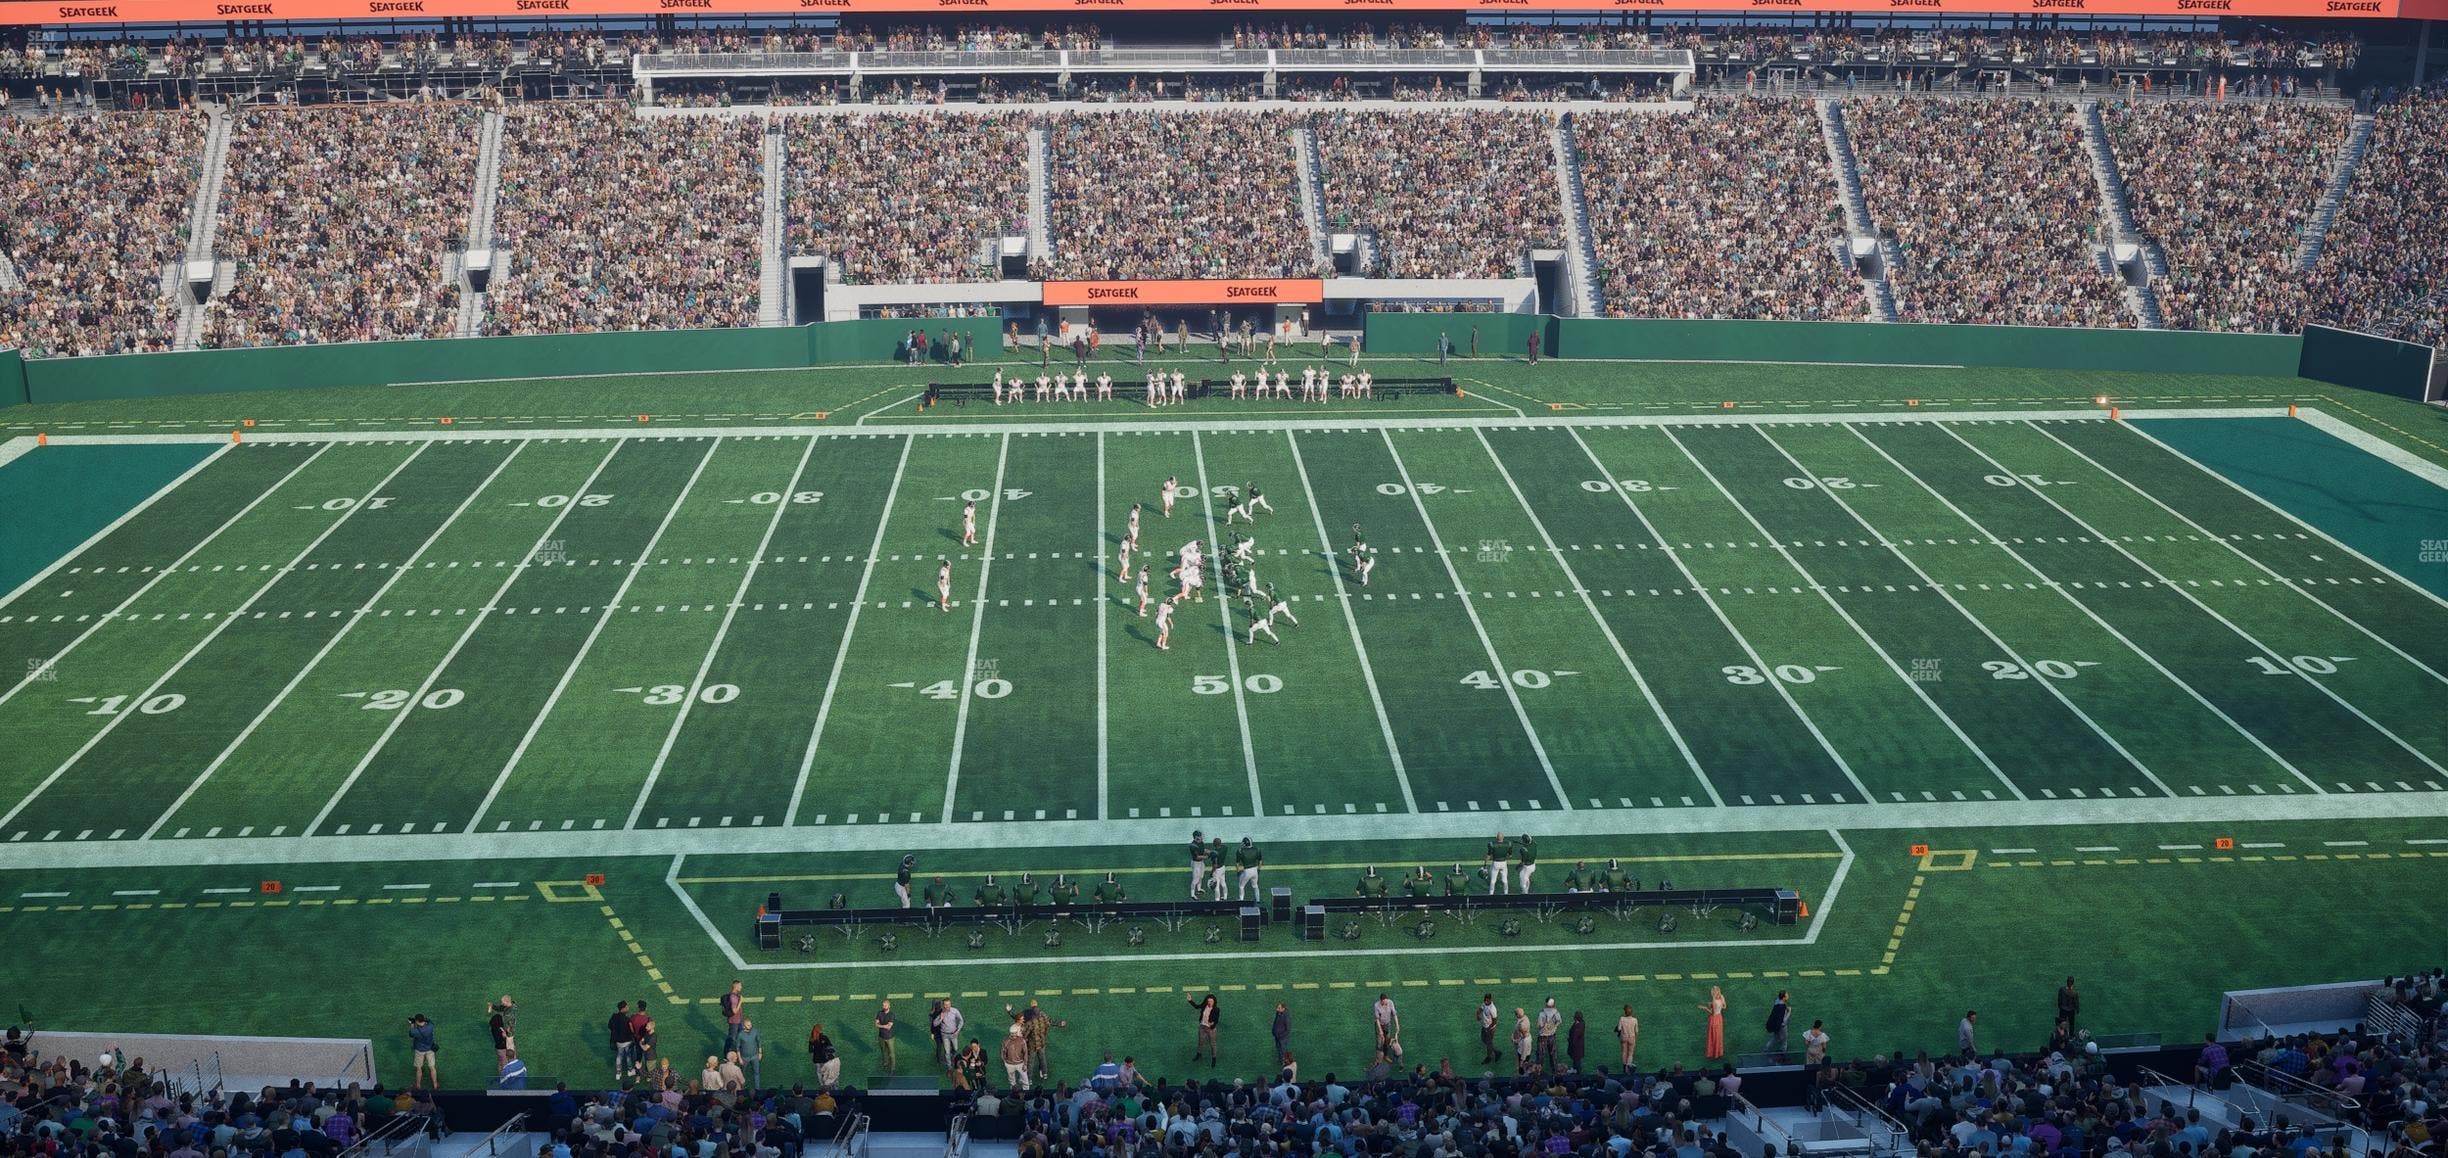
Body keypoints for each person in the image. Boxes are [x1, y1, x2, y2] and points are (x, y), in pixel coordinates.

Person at [1187, 994, 1220, 1065]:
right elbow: (1196, 1007)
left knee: (1213, 1044)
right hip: (1202, 1027)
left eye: (1211, 1001)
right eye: (1208, 1001)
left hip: (1211, 1029)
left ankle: (1214, 1058)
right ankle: (1199, 1054)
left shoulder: (1216, 1009)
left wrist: (1213, 1024)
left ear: (1214, 1002)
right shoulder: (1204, 1006)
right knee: (1200, 1042)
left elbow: (1216, 1020)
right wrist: (1190, 1000)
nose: (1209, 1003)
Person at [408, 1015, 439, 1089]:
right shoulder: (430, 1027)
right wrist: (425, 1019)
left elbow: (410, 1034)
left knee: (419, 1068)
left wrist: (412, 1024)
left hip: (419, 1051)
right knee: (432, 1067)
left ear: (417, 1021)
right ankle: (435, 1084)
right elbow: (430, 1020)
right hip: (430, 1049)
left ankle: (418, 1085)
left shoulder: (415, 1031)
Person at [999, 1024, 1030, 1091]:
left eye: (1015, 1033)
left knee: (1025, 1080)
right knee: (1012, 1081)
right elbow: (1002, 1052)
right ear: (1010, 1033)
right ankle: (1013, 1092)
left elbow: (1025, 1053)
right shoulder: (1006, 1041)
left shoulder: (1022, 1041)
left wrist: (1025, 1064)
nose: (1014, 1035)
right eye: (1012, 1034)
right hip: (1009, 1064)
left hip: (1020, 1064)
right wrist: (1005, 1062)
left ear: (1017, 1033)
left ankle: (1026, 1092)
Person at [608, 1001, 634, 1080]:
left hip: (618, 1042)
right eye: (627, 1006)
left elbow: (609, 1026)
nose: (628, 1008)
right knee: (628, 1056)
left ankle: (618, 1073)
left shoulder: (614, 1016)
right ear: (623, 1008)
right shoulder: (627, 1019)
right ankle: (630, 1071)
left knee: (619, 1056)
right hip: (627, 1041)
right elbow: (631, 1031)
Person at [1535, 998, 1562, 1072]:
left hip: (1542, 1037)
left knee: (1540, 1054)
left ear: (1546, 1003)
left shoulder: (1542, 1013)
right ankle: (1555, 1070)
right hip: (1552, 1036)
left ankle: (1538, 1070)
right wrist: (1554, 1027)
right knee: (1553, 1053)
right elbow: (1559, 1022)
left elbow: (1540, 1025)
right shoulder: (1557, 1013)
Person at [1699, 986, 1725, 1061]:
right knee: (1718, 1036)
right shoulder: (1722, 996)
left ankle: (1712, 1053)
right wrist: (1716, 1006)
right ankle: (1718, 1052)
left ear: (1713, 992)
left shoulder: (1714, 1000)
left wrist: (1705, 1008)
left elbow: (1712, 1013)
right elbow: (1724, 1006)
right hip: (1719, 1018)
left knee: (1712, 1036)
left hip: (1713, 1019)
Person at [489, 996, 517, 1066]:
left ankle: (512, 1062)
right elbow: (500, 1008)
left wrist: (506, 1033)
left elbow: (511, 1024)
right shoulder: (508, 1005)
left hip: (509, 1033)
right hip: (506, 1028)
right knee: (508, 1045)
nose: (501, 1003)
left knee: (510, 1047)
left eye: (502, 1002)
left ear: (507, 1002)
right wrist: (493, 1006)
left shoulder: (511, 1013)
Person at [1764, 991, 1792, 1062]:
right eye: (1787, 995)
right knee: (1784, 1041)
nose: (1788, 996)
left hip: (1776, 1026)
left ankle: (1766, 1050)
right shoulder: (1782, 1007)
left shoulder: (1777, 1003)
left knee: (1774, 1038)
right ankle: (1783, 1056)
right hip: (1781, 1027)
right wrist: (1789, 1012)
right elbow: (1783, 1021)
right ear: (1783, 997)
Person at [738, 1019, 764, 1090]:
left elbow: (759, 1042)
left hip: (755, 1056)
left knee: (756, 1072)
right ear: (744, 1026)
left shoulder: (755, 1031)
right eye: (748, 1025)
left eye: (751, 1024)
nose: (750, 1026)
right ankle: (742, 1087)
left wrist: (760, 1053)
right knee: (742, 1073)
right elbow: (738, 1048)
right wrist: (739, 1058)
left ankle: (757, 1088)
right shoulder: (740, 1035)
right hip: (744, 1057)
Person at [722, 981, 746, 1055]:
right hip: (734, 1021)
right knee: (731, 1038)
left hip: (738, 1020)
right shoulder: (733, 997)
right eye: (740, 986)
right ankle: (726, 1054)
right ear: (736, 986)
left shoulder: (735, 996)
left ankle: (742, 1051)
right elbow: (734, 1011)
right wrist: (740, 1002)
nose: (741, 987)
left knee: (742, 1035)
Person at [875, 1000, 898, 1072]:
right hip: (881, 1037)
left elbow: (889, 1027)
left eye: (885, 1005)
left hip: (890, 1037)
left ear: (889, 1006)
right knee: (884, 1052)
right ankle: (886, 1063)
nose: (884, 1007)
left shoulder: (891, 1015)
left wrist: (881, 1025)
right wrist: (884, 1026)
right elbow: (876, 1024)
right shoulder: (879, 1013)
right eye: (883, 1005)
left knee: (891, 1053)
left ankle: (893, 1068)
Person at [1478, 995, 1501, 1064]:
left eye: (1487, 1000)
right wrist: (1478, 1014)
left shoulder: (1492, 1009)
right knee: (1484, 1040)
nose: (1485, 1002)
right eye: (1485, 1000)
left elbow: (1494, 1021)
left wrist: (1488, 1029)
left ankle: (1489, 1057)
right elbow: (1480, 1009)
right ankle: (1496, 1052)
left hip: (1490, 1028)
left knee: (1488, 1043)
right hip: (1484, 1026)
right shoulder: (1484, 1004)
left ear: (1490, 1000)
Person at [1615, 1005, 1639, 1069]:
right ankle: (1628, 1067)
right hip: (1632, 1037)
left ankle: (1624, 1066)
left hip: (1624, 1037)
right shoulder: (1635, 1020)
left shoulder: (1622, 1019)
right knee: (1630, 1053)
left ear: (1625, 1012)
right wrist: (1635, 1040)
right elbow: (1636, 1031)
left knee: (1624, 1052)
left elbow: (1619, 1029)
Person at [1188, 829, 1209, 898]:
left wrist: (1210, 852)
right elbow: (1197, 857)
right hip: (1196, 863)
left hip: (1201, 863)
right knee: (1195, 879)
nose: (1201, 837)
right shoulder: (1193, 846)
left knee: (1201, 877)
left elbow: (1203, 850)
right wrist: (1207, 856)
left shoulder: (1201, 843)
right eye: (1200, 836)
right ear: (1196, 837)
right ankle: (1192, 894)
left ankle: (1199, 889)